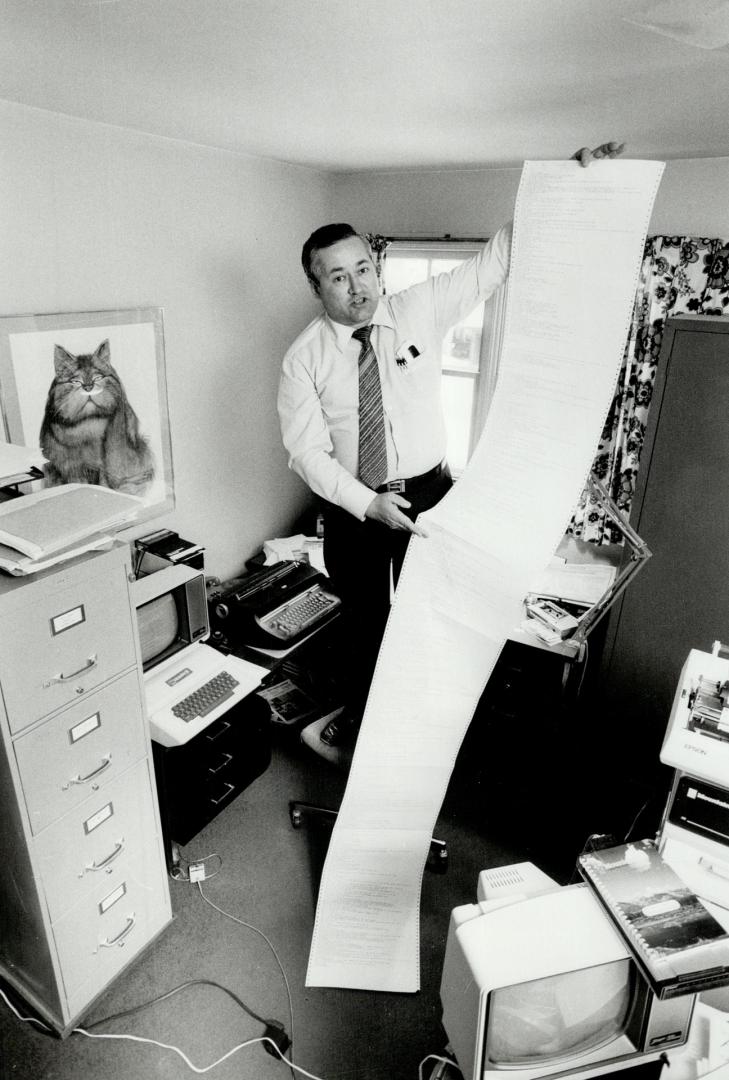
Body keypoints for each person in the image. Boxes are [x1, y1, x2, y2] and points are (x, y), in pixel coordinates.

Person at [277, 141, 625, 750]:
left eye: (363, 268)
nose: (357, 286)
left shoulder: (418, 308)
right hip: (356, 511)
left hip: (431, 496)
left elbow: (494, 262)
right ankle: (367, 733)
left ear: (375, 267)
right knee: (364, 629)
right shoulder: (302, 359)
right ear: (316, 286)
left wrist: (564, 181)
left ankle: (422, 736)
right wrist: (366, 504)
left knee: (432, 619)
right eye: (338, 276)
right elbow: (307, 455)